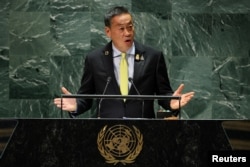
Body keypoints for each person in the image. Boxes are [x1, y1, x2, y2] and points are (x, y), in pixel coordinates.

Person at [54, 6, 194, 118]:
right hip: (106, 131)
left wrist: (172, 102)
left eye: (130, 27)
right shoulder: (94, 59)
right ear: (108, 32)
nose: (127, 33)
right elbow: (86, 96)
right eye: (121, 28)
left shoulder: (153, 57)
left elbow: (163, 94)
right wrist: (76, 105)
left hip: (145, 130)